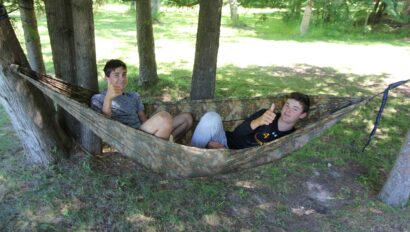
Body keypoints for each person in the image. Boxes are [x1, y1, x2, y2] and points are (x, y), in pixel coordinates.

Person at [91, 59, 193, 141]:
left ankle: (168, 141)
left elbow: (143, 119)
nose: (122, 78)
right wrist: (109, 97)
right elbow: (104, 123)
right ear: (107, 78)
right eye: (116, 75)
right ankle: (165, 146)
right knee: (164, 118)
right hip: (126, 138)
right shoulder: (98, 99)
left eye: (124, 74)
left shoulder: (134, 96)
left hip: (142, 133)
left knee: (187, 118)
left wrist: (156, 128)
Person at [191, 92, 310, 149]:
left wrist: (225, 153)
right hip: (226, 142)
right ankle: (192, 155)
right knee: (211, 117)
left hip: (236, 159)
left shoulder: (293, 137)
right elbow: (237, 133)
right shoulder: (267, 114)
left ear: (302, 115)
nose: (288, 110)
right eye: (287, 105)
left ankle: (203, 152)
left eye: (295, 109)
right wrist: (258, 121)